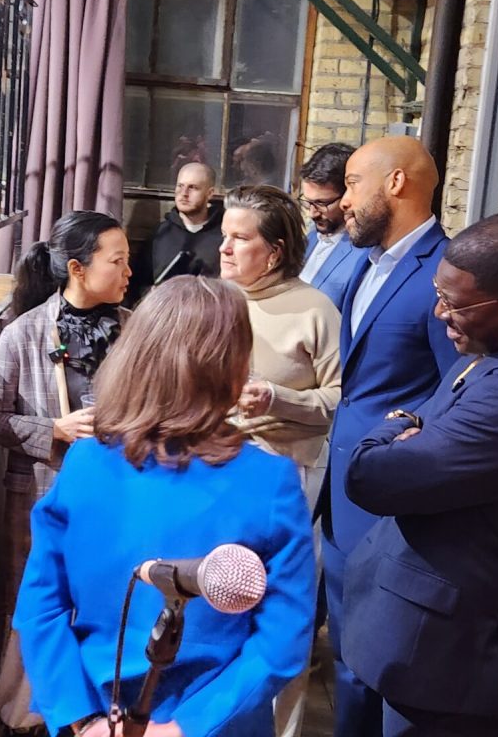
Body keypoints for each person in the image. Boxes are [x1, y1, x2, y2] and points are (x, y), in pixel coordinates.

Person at [14, 276, 316, 737]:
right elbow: (283, 640)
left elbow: (39, 606)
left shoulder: (85, 463)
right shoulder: (270, 482)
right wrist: (186, 728)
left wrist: (79, 716)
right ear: (231, 372)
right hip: (217, 721)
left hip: (100, 715)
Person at [341, 212, 498, 736]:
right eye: (438, 293)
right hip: (425, 647)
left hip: (453, 663)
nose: (438, 313)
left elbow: (371, 477)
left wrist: (394, 426)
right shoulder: (495, 353)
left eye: (454, 304)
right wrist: (412, 426)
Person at [322, 136, 460, 737]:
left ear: (396, 184)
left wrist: (401, 446)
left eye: (353, 183)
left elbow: (455, 390)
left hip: (387, 510)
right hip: (339, 501)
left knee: (372, 665)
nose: (343, 200)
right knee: (344, 660)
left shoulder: (447, 274)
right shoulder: (365, 263)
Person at [0, 211, 132, 734]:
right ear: (77, 268)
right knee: (37, 606)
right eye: (118, 261)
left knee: (108, 603)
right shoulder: (22, 334)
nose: (129, 271)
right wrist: (55, 429)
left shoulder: (133, 331)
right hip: (42, 497)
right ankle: (30, 713)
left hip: (119, 498)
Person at [218, 185, 341, 737]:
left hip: (288, 476)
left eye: (239, 239)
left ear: (274, 251)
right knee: (218, 604)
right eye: (224, 236)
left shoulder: (315, 309)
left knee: (278, 615)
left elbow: (344, 403)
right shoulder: (215, 299)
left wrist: (278, 397)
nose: (225, 249)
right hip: (215, 473)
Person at [129, 163, 222, 303]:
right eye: (180, 186)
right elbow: (137, 284)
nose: (184, 193)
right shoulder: (160, 235)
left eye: (193, 187)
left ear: (209, 193)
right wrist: (151, 293)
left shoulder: (224, 236)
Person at [297, 143, 360, 310]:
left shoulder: (366, 253)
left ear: (348, 196)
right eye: (308, 202)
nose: (312, 213)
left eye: (322, 203)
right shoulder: (311, 237)